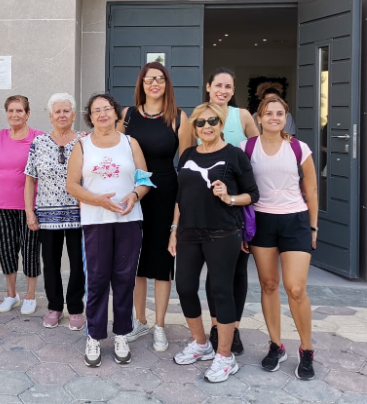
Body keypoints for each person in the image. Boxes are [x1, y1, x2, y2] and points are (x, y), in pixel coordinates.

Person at [169, 103, 259, 383]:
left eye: (212, 121)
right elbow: (179, 197)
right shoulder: (187, 155)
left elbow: (252, 195)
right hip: (188, 232)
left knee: (221, 292)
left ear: (221, 124)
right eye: (200, 123)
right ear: (194, 128)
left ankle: (225, 356)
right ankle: (200, 343)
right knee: (184, 287)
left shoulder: (234, 155)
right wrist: (174, 230)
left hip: (223, 232)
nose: (207, 126)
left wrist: (229, 197)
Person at [67, 93, 150, 367]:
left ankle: (122, 333)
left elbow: (145, 179)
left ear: (116, 113)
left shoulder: (130, 143)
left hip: (128, 221)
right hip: (96, 221)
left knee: (125, 279)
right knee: (99, 279)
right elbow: (72, 185)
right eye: (95, 111)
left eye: (107, 109)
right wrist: (98, 200)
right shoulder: (82, 145)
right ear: (90, 117)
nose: (102, 114)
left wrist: (135, 196)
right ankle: (94, 334)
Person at [243, 96, 317, 380]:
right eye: (268, 113)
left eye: (280, 113)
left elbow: (311, 191)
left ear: (286, 117)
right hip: (262, 221)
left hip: (295, 220)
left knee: (295, 288)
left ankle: (307, 349)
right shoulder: (247, 147)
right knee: (269, 284)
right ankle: (276, 345)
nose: (274, 117)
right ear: (259, 118)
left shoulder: (299, 148)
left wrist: (313, 227)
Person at [122, 62, 191, 353]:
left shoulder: (179, 118)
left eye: (160, 79)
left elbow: (187, 166)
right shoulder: (127, 115)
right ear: (141, 83)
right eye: (149, 79)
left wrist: (180, 212)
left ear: (167, 84)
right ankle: (140, 320)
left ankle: (160, 324)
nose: (154, 84)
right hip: (133, 194)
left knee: (162, 264)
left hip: (165, 195)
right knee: (135, 262)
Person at [203, 68, 259, 354]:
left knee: (237, 270)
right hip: (207, 205)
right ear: (208, 86)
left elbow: (258, 152)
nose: (222, 90)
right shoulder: (199, 115)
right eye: (218, 85)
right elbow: (188, 158)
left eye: (228, 86)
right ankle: (216, 325)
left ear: (232, 90)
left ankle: (233, 329)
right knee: (215, 271)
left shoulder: (244, 117)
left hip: (237, 204)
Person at [24, 93, 85, 331]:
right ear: (50, 116)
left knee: (79, 263)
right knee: (50, 263)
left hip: (78, 213)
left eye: (66, 111)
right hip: (47, 215)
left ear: (74, 115)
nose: (62, 115)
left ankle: (76, 308)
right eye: (57, 111)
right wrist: (30, 212)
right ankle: (55, 307)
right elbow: (30, 179)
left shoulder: (83, 140)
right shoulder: (39, 142)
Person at [0, 95, 44, 314]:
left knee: (30, 250)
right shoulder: (0, 137)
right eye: (11, 111)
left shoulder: (38, 137)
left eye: (19, 111)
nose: (15, 115)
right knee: (6, 250)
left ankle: (31, 296)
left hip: (29, 205)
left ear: (28, 114)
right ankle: (11, 295)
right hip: (0, 204)